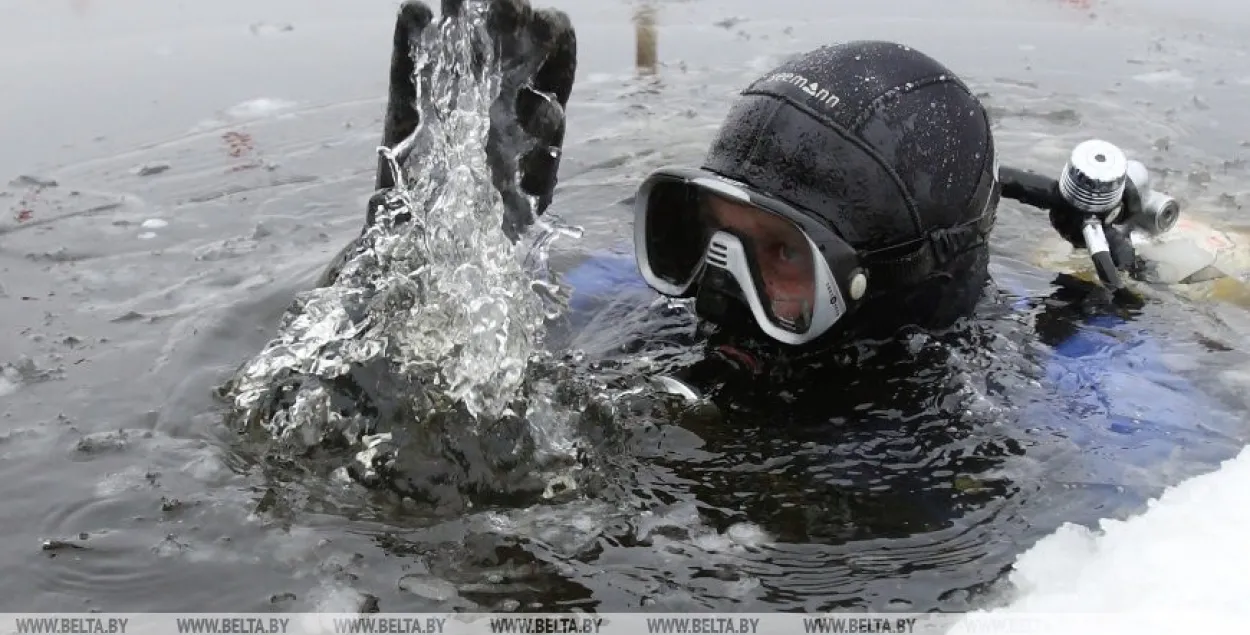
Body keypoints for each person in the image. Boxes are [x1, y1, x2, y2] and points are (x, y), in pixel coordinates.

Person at [298, 0, 1245, 522]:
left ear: (892, 286)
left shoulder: (1065, 401)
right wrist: (426, 262)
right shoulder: (641, 306)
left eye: (779, 254)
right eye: (701, 229)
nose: (718, 289)